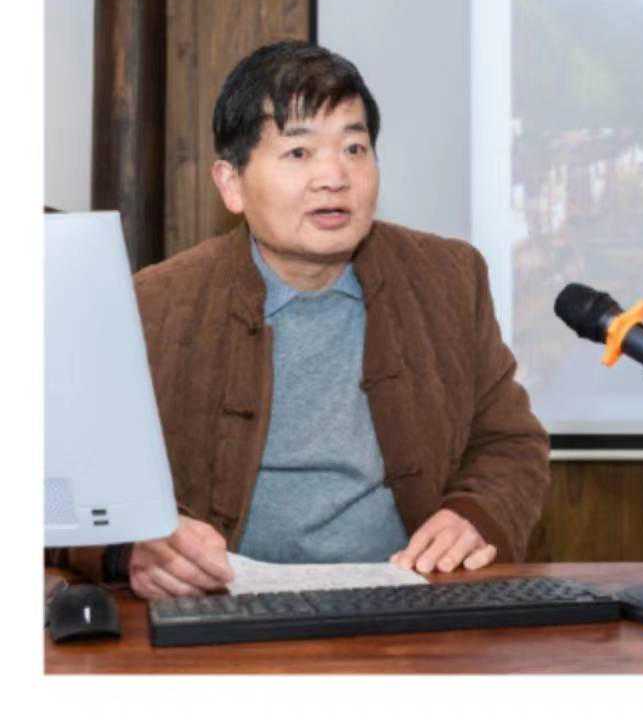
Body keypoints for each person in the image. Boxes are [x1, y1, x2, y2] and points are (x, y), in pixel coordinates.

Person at [56, 41, 550, 599]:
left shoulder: (448, 279)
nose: (334, 176)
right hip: (223, 614)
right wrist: (129, 549)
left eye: (355, 148)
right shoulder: (155, 305)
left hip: (409, 605)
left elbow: (511, 444)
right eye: (298, 152)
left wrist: (475, 515)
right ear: (231, 184)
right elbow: (63, 484)